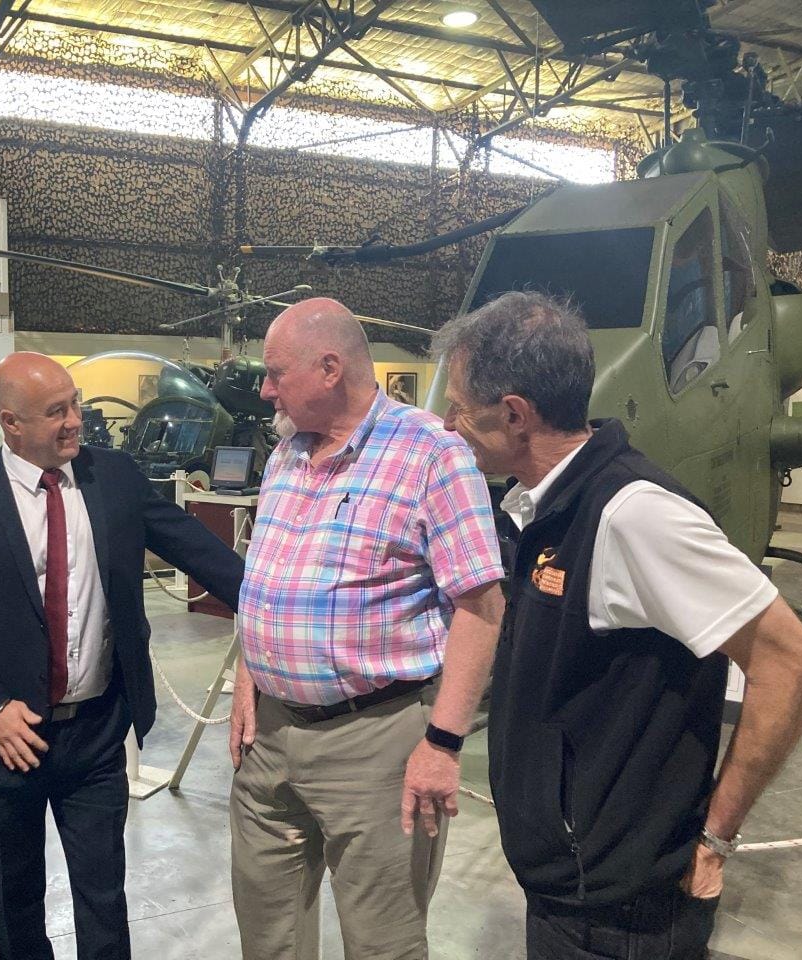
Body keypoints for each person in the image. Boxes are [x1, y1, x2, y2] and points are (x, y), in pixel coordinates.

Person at [433, 290, 802, 960]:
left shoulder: (632, 514)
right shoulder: (541, 508)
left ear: (514, 415)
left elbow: (796, 667)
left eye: (458, 409)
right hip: (570, 895)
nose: (448, 425)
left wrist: (715, 840)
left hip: (620, 919)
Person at [0, 352, 245, 960]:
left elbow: (198, 550)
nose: (75, 421)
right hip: (6, 740)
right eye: (55, 412)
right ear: (11, 423)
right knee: (15, 902)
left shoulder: (113, 477)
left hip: (95, 733)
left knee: (102, 897)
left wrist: (278, 603)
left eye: (75, 403)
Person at [229, 298, 506, 960]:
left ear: (329, 368)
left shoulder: (432, 455)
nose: (265, 389)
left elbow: (481, 604)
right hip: (267, 739)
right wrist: (249, 675)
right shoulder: (285, 455)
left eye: (275, 374)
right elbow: (267, 581)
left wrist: (442, 742)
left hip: (377, 744)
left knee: (383, 943)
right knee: (267, 937)